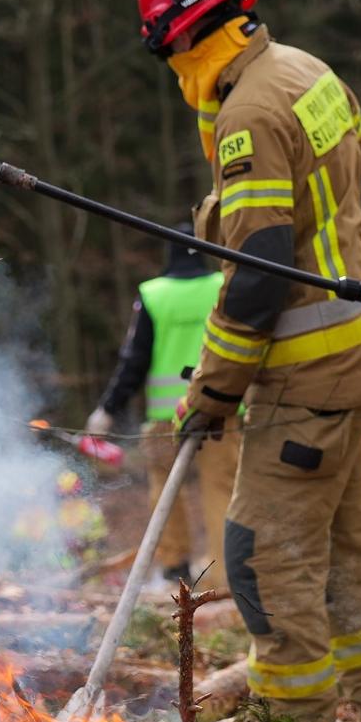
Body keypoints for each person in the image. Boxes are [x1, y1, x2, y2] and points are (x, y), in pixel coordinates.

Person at [139, 0, 361, 722]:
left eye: (167, 52)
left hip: (306, 380)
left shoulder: (246, 113)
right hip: (355, 356)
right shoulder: (308, 71)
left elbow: (258, 278)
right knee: (348, 562)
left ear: (183, 38)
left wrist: (211, 393)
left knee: (262, 564)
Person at [86, 223, 241, 591]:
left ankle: (175, 570)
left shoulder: (153, 294)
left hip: (166, 417)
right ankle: (227, 578)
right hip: (221, 410)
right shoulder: (222, 286)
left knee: (165, 492)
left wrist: (108, 408)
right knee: (222, 490)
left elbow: (134, 360)